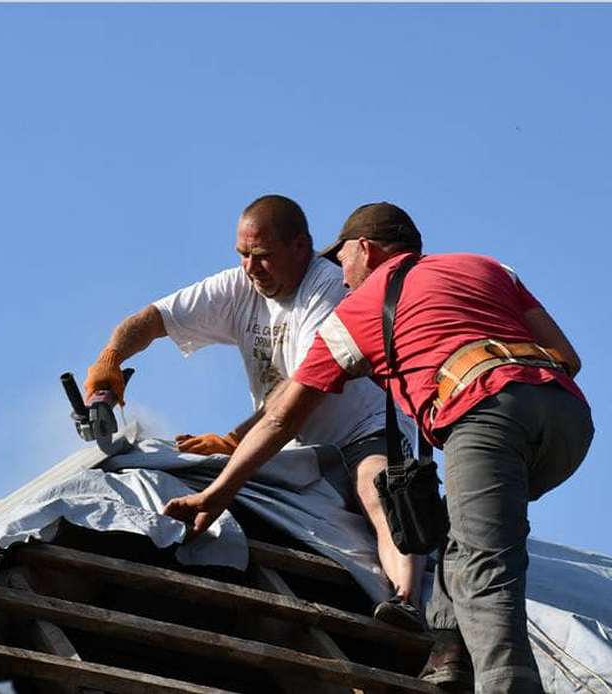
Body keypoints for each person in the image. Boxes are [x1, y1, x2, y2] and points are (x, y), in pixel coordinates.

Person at [164, 202, 594, 693]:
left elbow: (283, 417)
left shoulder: (359, 312)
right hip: (567, 421)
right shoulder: (486, 267)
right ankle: (449, 651)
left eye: (343, 261)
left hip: (483, 415)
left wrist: (216, 493)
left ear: (365, 250)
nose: (341, 279)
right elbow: (568, 358)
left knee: (485, 569)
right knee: (461, 534)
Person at [83, 194, 427, 630]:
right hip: (292, 444)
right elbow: (152, 319)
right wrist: (110, 359)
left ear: (300, 247)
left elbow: (304, 385)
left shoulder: (327, 288)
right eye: (243, 254)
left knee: (381, 494)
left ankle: (405, 601)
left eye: (263, 256)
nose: (251, 267)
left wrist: (236, 439)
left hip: (361, 430)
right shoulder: (240, 287)